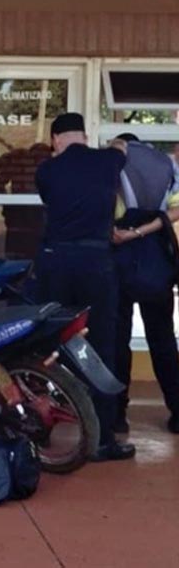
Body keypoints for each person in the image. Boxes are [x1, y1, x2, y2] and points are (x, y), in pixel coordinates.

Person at [34, 112, 135, 462]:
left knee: (46, 341)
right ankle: (102, 439)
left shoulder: (47, 170)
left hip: (56, 263)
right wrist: (114, 144)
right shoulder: (108, 160)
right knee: (102, 345)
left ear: (55, 139)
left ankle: (38, 425)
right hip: (96, 263)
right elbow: (123, 147)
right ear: (84, 135)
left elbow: (50, 200)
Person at [113, 148, 179, 435]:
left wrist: (127, 233)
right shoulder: (165, 172)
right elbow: (175, 210)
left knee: (117, 341)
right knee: (163, 340)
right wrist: (146, 229)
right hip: (156, 265)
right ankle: (177, 410)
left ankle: (116, 414)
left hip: (119, 263)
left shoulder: (112, 173)